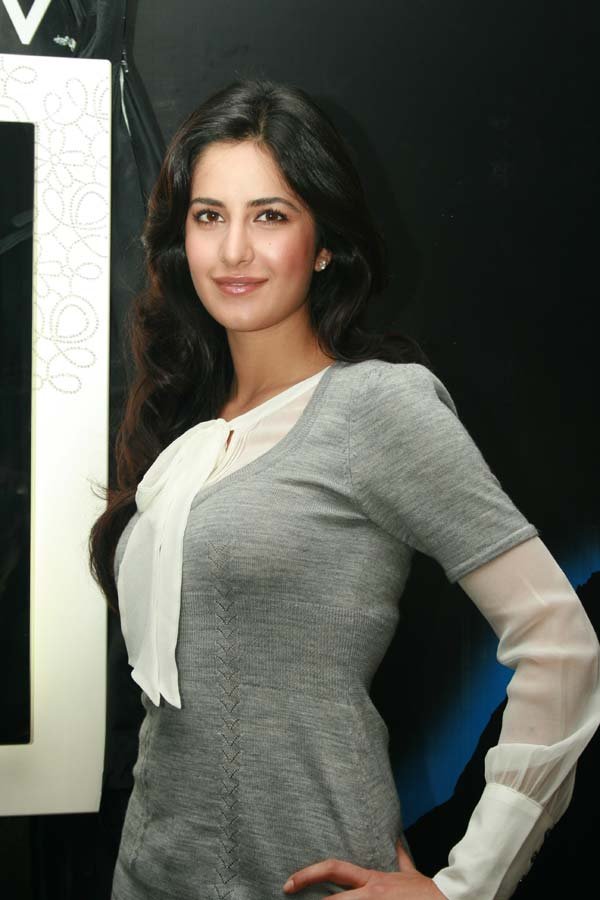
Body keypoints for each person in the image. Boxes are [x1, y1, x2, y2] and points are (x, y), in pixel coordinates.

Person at [88, 78, 600, 900]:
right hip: (148, 871)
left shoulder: (376, 406)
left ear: (324, 243)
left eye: (270, 216)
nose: (234, 250)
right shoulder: (188, 426)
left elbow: (559, 641)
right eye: (210, 216)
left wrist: (468, 887)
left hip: (303, 875)